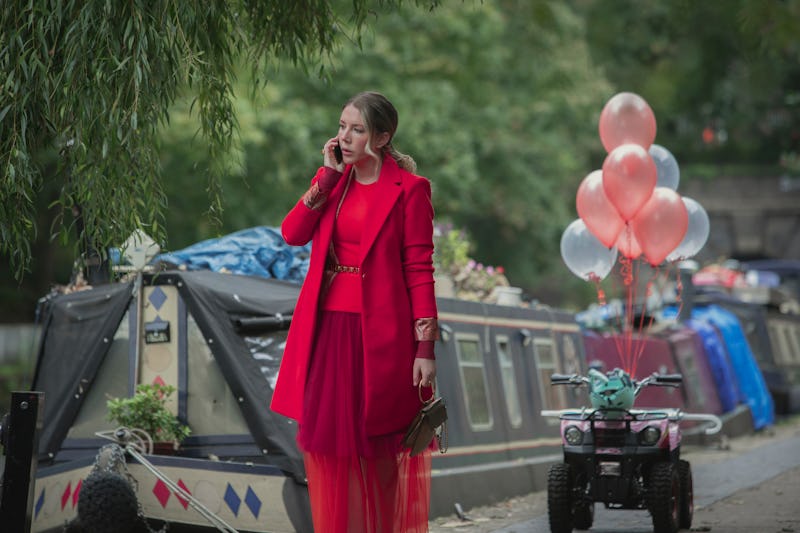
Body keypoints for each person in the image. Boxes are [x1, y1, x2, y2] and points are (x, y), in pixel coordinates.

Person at [270, 91, 439, 532]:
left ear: (382, 137)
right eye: (342, 126)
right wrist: (326, 178)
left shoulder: (411, 191)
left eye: (357, 129)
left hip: (382, 337)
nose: (344, 137)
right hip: (328, 332)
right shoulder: (332, 181)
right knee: (330, 452)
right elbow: (291, 234)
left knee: (379, 452)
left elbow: (420, 269)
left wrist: (425, 347)